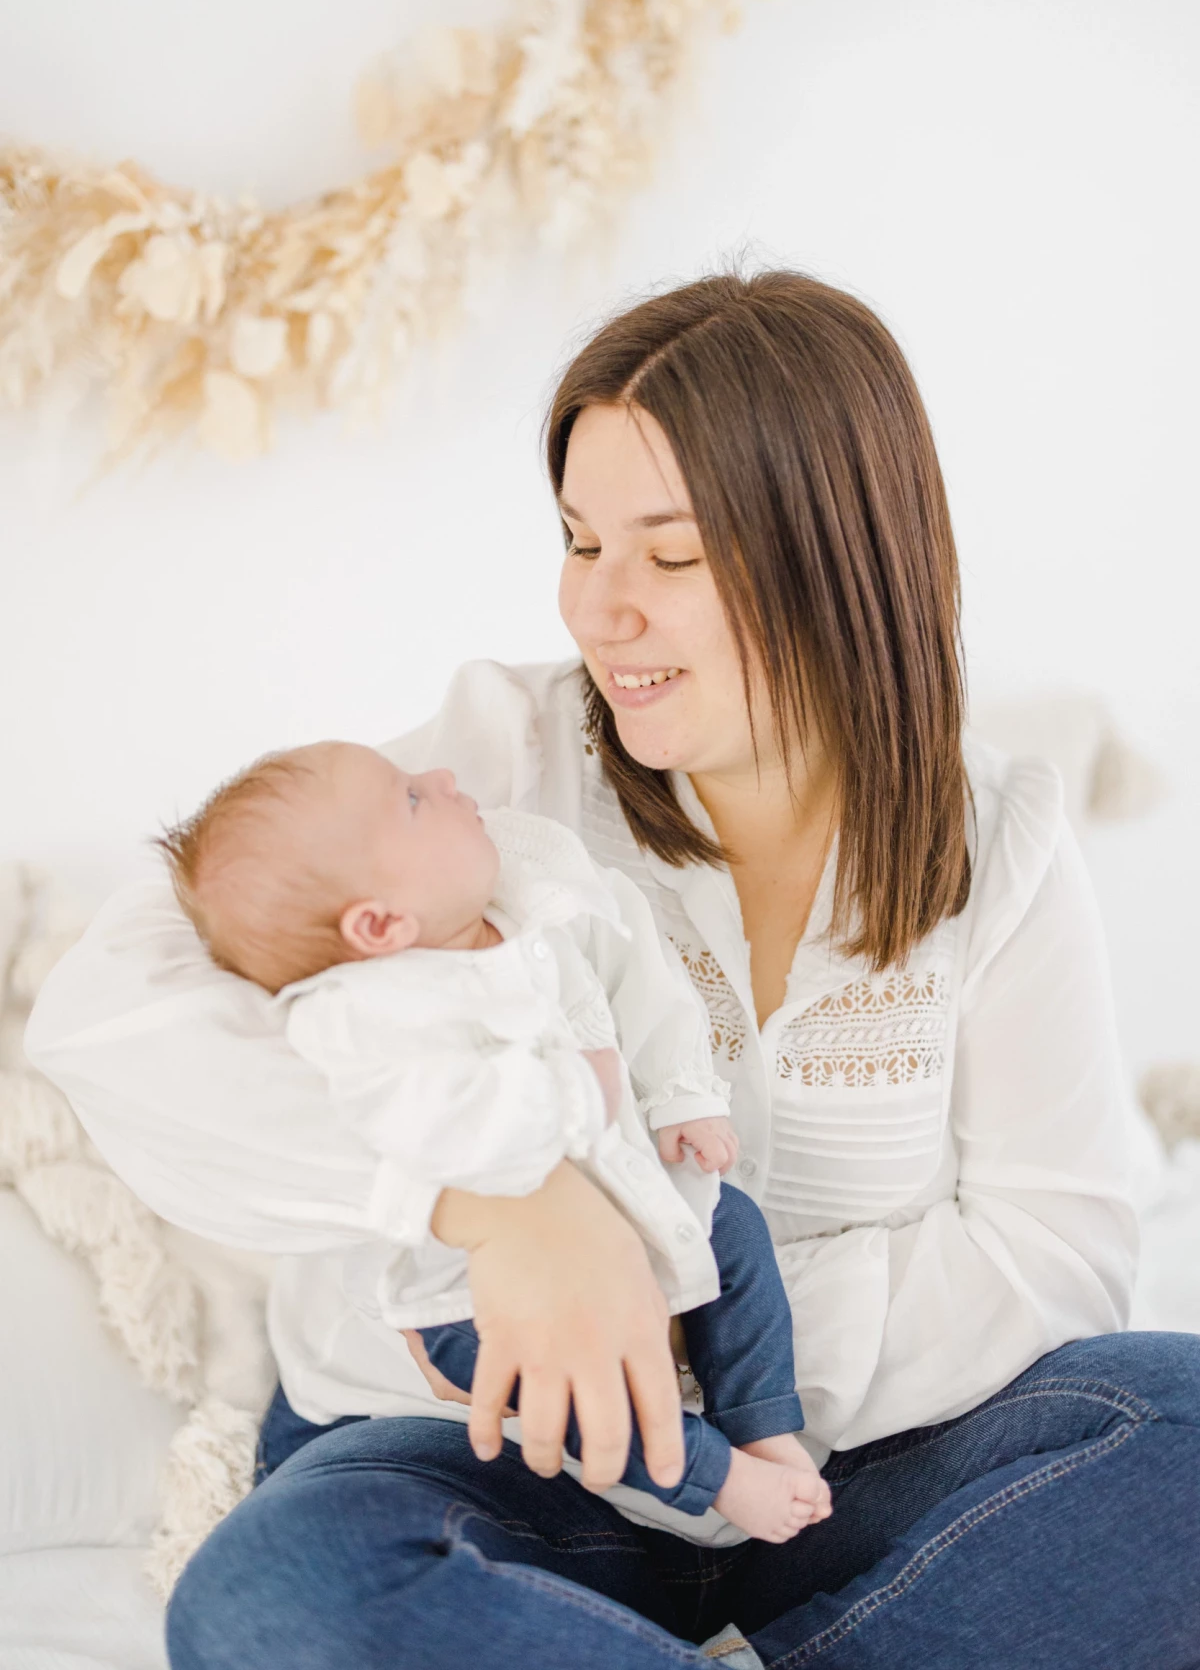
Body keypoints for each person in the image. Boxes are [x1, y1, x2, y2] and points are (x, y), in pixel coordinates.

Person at [27, 270, 1200, 1669]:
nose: (601, 609)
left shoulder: (997, 839)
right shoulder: (494, 766)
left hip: (838, 1483)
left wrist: (652, 1318)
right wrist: (501, 1220)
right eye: (581, 543)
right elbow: (109, 1021)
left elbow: (1054, 1266)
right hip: (484, 1466)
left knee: (1174, 1435)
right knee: (272, 1596)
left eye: (671, 555)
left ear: (838, 553)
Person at [150, 738, 829, 1537]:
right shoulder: (362, 1013)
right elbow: (437, 1122)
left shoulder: (531, 910)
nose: (442, 775)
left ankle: (762, 1422)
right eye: (410, 798)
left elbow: (643, 985)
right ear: (378, 923)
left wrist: (681, 1096)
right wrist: (575, 1093)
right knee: (563, 1384)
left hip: (631, 1195)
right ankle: (713, 1477)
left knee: (736, 1226)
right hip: (459, 1297)